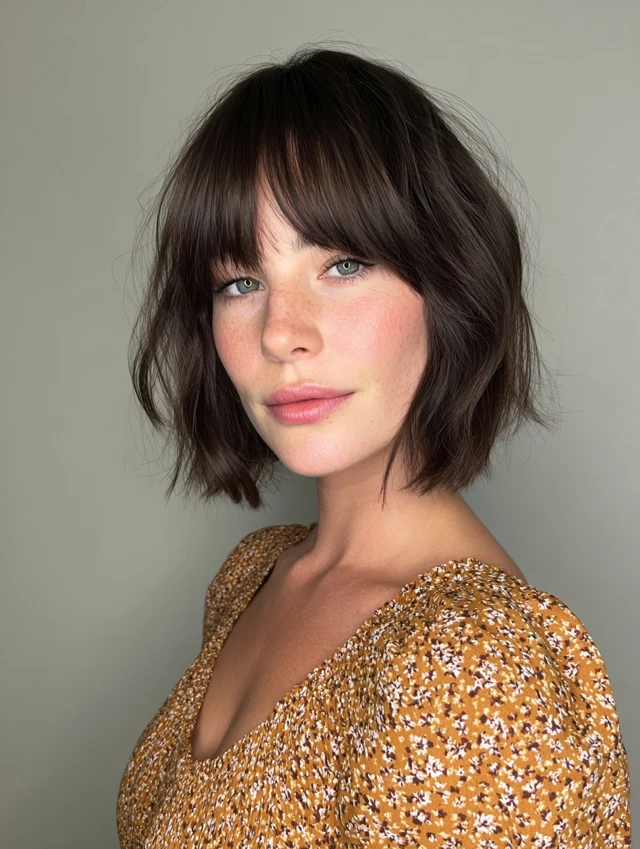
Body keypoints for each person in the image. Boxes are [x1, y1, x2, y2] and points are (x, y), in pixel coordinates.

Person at [116, 44, 631, 847]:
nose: (281, 333)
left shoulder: (474, 675)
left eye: (344, 264)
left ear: (448, 283)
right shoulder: (254, 576)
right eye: (240, 282)